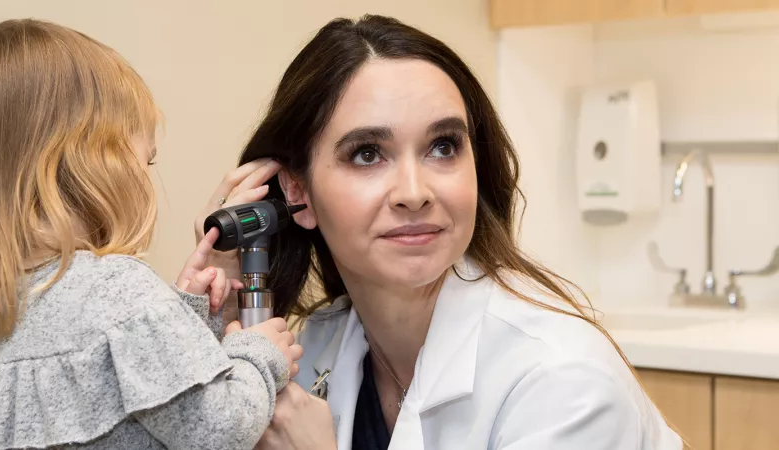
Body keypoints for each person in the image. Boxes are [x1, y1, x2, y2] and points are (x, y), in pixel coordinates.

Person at [197, 15, 684, 450]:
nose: (415, 191)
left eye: (443, 146)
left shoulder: (562, 380)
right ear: (297, 193)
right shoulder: (322, 344)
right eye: (368, 153)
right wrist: (208, 318)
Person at [0, 19, 303, 449]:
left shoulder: (0, 311)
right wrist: (259, 355)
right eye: (146, 161)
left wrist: (182, 313)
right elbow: (215, 430)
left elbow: (125, 401)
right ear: (97, 161)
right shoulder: (117, 288)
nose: (149, 178)